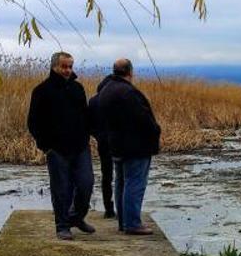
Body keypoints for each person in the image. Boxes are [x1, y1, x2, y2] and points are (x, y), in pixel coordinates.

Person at [27, 52, 95, 240]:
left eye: (70, 66)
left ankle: (76, 217)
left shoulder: (78, 89)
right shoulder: (41, 90)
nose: (67, 70)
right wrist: (45, 146)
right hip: (56, 150)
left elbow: (86, 117)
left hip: (81, 147)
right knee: (61, 189)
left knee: (86, 184)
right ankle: (62, 226)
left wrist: (88, 136)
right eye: (64, 66)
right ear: (54, 67)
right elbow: (33, 122)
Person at [98, 58, 161, 235]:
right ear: (130, 72)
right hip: (135, 146)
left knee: (121, 182)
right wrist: (156, 130)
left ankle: (123, 222)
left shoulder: (106, 90)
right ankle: (132, 223)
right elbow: (143, 118)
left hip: (116, 144)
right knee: (135, 183)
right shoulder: (128, 92)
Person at [87, 76, 116, 219]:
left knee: (107, 176)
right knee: (123, 176)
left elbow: (89, 125)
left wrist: (98, 136)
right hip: (119, 142)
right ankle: (121, 209)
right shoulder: (117, 99)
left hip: (103, 143)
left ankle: (108, 208)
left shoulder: (93, 101)